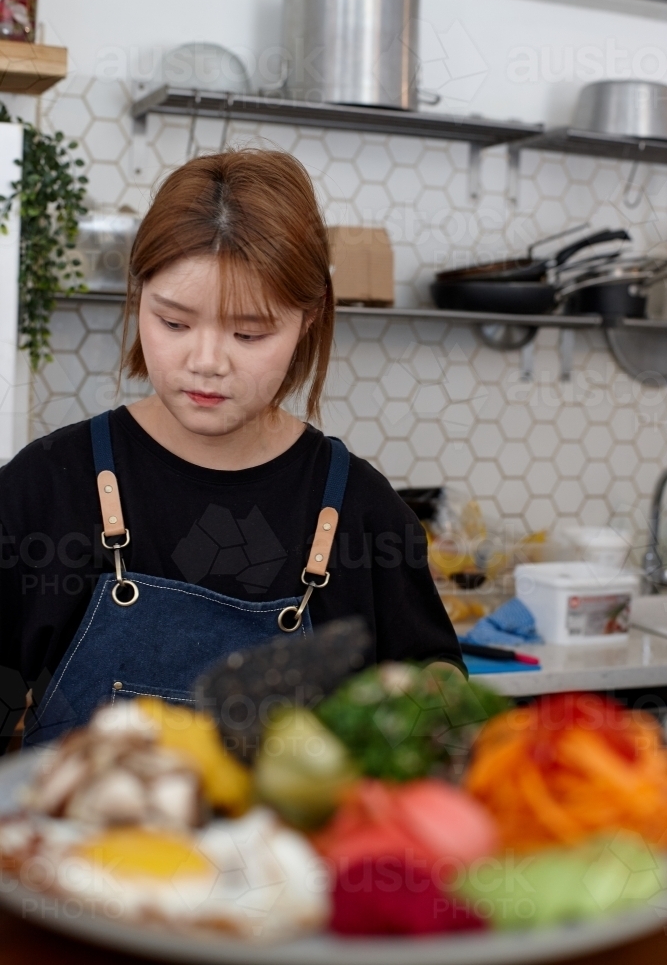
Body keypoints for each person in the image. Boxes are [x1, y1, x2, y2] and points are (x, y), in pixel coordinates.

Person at [0, 149, 462, 751]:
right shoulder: (47, 487)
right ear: (140, 297)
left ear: (310, 318)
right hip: (85, 848)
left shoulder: (363, 513)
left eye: (248, 333)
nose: (207, 362)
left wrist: (425, 710)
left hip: (290, 849)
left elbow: (443, 707)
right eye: (173, 323)